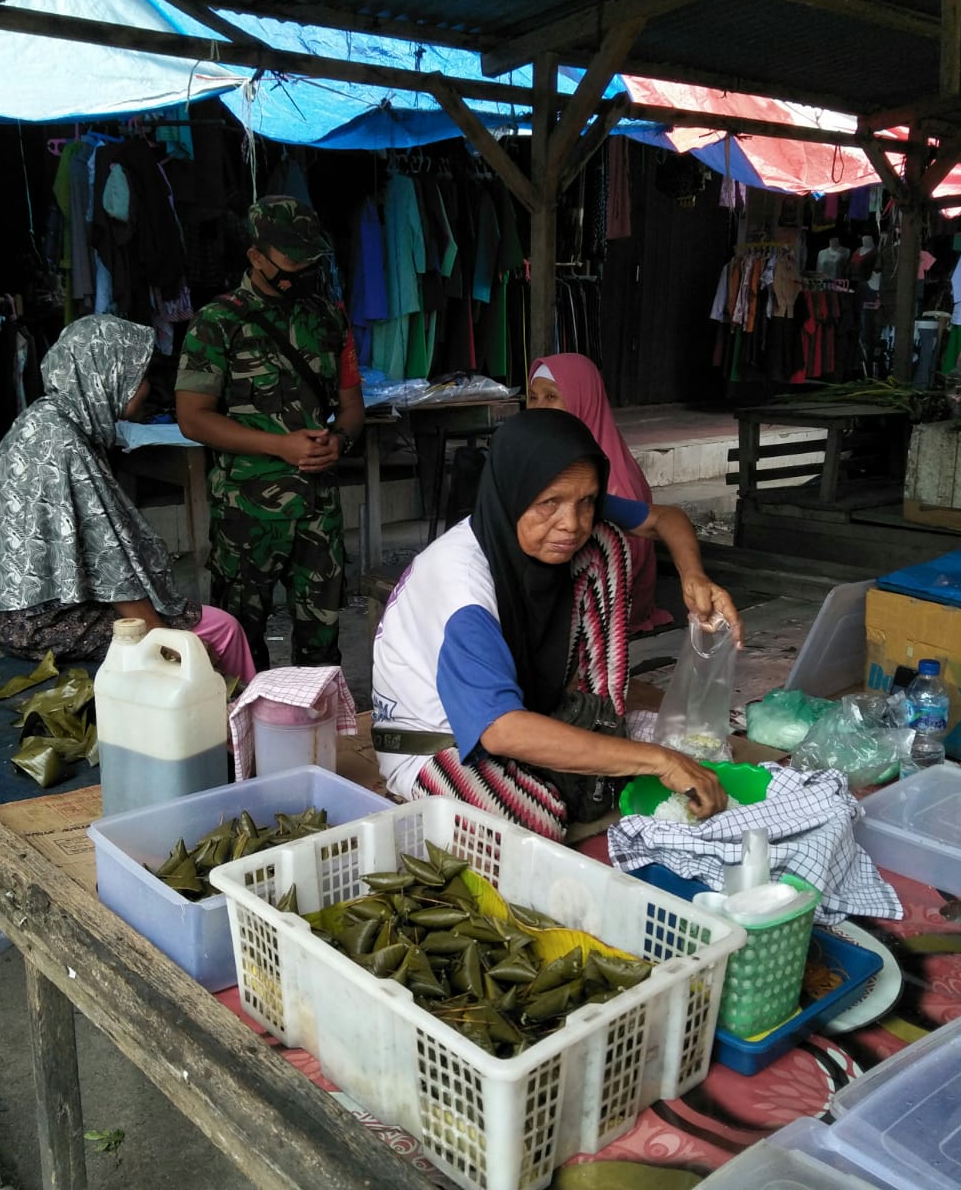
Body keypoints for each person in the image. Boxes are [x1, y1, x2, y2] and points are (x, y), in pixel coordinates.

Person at [371, 411, 743, 842]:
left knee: (605, 541)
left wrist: (694, 575)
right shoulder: (462, 591)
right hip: (432, 742)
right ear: (513, 492)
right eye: (550, 504)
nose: (571, 522)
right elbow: (501, 729)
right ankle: (561, 764)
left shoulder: (566, 503)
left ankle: (586, 715)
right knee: (536, 821)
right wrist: (658, 760)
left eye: (586, 501)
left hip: (514, 709)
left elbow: (665, 519)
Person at [0, 314, 256, 682]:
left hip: (18, 612)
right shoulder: (64, 442)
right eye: (139, 377)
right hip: (38, 623)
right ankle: (243, 724)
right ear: (107, 374)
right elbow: (108, 562)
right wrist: (163, 637)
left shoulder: (43, 419)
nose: (146, 387)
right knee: (221, 628)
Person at [176, 196, 364, 671]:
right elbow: (192, 417)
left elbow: (351, 405)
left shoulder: (328, 317)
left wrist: (340, 441)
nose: (302, 269)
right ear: (256, 256)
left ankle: (314, 741)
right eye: (291, 259)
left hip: (319, 512)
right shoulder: (217, 322)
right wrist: (278, 445)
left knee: (321, 650)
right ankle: (246, 745)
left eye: (310, 259)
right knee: (239, 648)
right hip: (247, 515)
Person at [526, 354, 672, 634]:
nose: (539, 408)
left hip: (606, 610)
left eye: (551, 396)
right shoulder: (550, 453)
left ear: (584, 400)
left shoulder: (610, 474)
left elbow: (631, 557)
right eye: (533, 397)